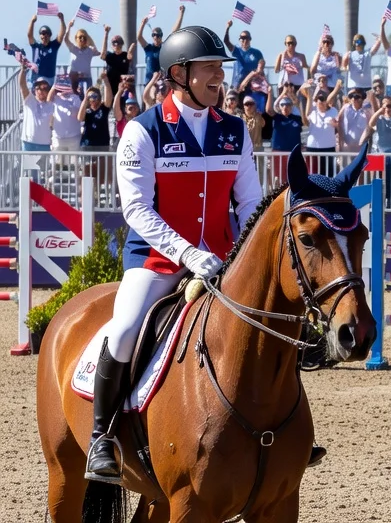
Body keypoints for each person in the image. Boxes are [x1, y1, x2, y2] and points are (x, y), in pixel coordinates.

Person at [83, 26, 261, 483]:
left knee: (269, 326)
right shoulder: (142, 131)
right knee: (123, 332)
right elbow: (136, 208)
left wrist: (242, 256)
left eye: (222, 69)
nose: (220, 77)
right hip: (156, 261)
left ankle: (279, 429)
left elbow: (251, 206)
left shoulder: (234, 132)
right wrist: (185, 253)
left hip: (223, 261)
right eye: (210, 69)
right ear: (178, 74)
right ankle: (102, 438)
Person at [361, 96, 391, 201]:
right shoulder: (379, 119)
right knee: (380, 183)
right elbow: (371, 123)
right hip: (381, 157)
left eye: (390, 106)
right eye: (385, 106)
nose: (387, 108)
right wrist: (381, 110)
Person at [137, 4, 184, 84]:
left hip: (162, 82)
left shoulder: (164, 47)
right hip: (149, 82)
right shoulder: (149, 48)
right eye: (153, 35)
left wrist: (181, 13)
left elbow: (174, 32)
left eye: (158, 35)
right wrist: (142, 24)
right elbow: (139, 37)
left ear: (161, 36)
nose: (156, 37)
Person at [223, 23, 265, 99]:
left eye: (246, 38)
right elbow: (226, 41)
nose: (244, 40)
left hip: (251, 86)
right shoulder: (237, 51)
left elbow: (261, 68)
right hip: (237, 85)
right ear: (239, 39)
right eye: (242, 38)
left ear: (250, 39)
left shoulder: (256, 53)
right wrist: (228, 28)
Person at [27, 12, 66, 85]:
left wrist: (62, 20)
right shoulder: (36, 46)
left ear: (50, 35)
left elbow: (62, 34)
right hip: (36, 77)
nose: (44, 35)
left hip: (50, 78)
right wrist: (32, 22)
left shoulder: (54, 45)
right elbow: (29, 35)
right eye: (42, 33)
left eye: (47, 33)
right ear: (40, 35)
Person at [101, 28, 135, 96]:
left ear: (122, 44)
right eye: (114, 43)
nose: (116, 45)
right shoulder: (109, 55)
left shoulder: (125, 55)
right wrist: (106, 34)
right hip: (110, 85)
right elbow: (102, 55)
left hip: (122, 85)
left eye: (118, 43)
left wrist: (131, 50)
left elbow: (129, 57)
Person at [66, 27, 101, 93]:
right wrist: (69, 27)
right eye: (80, 37)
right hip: (75, 79)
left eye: (84, 37)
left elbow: (98, 53)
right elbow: (66, 40)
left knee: (88, 98)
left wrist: (89, 41)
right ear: (76, 38)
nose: (82, 39)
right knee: (76, 97)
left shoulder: (90, 50)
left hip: (87, 78)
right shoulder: (73, 49)